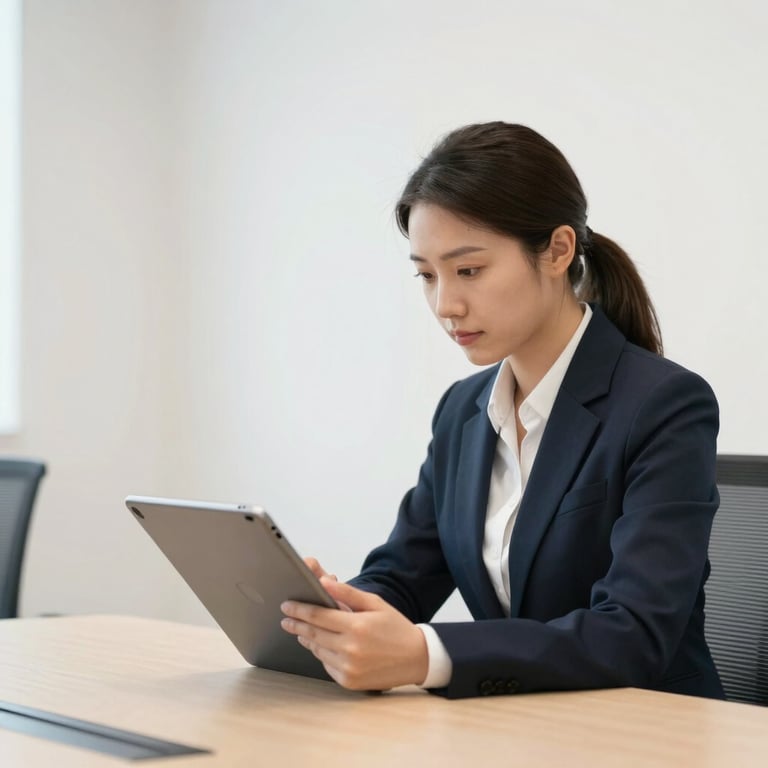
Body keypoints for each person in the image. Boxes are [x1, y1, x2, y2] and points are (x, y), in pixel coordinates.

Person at [280, 122, 725, 700]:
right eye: (426, 275)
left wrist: (426, 654)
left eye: (469, 270)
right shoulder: (463, 412)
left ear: (558, 250)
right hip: (513, 728)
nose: (446, 304)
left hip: (650, 734)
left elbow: (633, 633)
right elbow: (403, 576)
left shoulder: (664, 405)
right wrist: (331, 613)